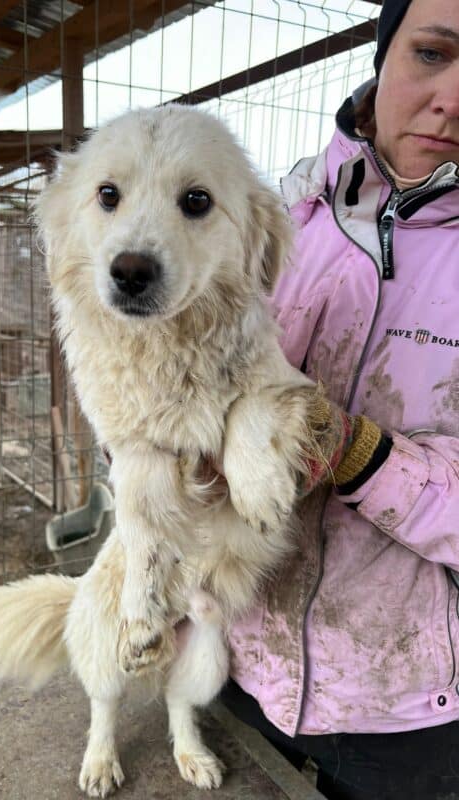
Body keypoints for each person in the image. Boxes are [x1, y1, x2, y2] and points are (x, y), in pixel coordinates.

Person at [221, 1, 459, 798]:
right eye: (433, 53)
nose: (454, 96)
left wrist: (364, 456)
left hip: (407, 712)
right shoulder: (275, 214)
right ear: (383, 54)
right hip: (233, 660)